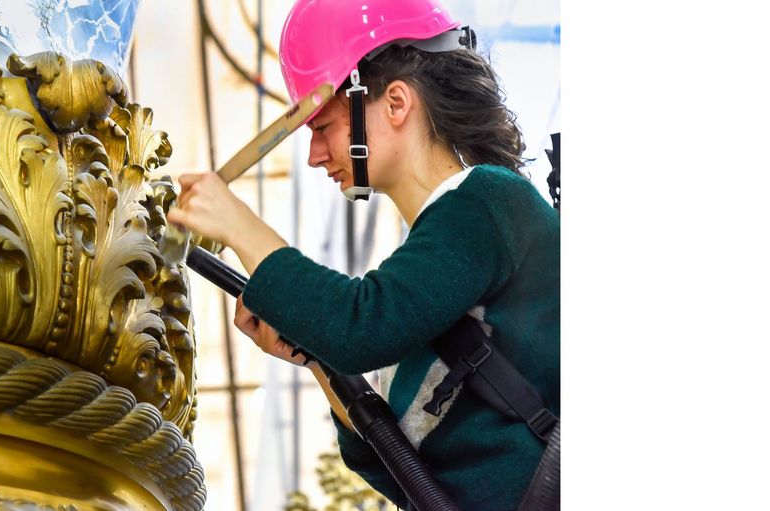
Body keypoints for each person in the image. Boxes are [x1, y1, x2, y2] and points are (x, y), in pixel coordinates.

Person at [165, 0, 560, 508]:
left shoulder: (487, 199)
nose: (313, 155)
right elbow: (399, 466)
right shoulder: (432, 270)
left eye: (323, 127)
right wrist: (312, 355)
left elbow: (360, 327)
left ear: (396, 103)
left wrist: (238, 223)